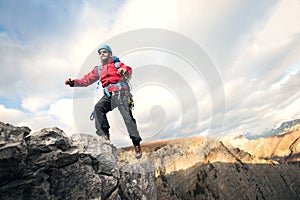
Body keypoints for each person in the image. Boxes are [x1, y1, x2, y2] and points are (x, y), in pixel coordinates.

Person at [65, 45, 142, 159]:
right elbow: (86, 80)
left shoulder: (117, 64)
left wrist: (124, 70)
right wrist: (73, 82)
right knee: (98, 108)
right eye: (100, 53)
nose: (102, 54)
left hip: (122, 94)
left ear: (110, 54)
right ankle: (104, 138)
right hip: (109, 95)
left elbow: (128, 70)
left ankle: (136, 144)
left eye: (104, 52)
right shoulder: (99, 69)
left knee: (128, 118)